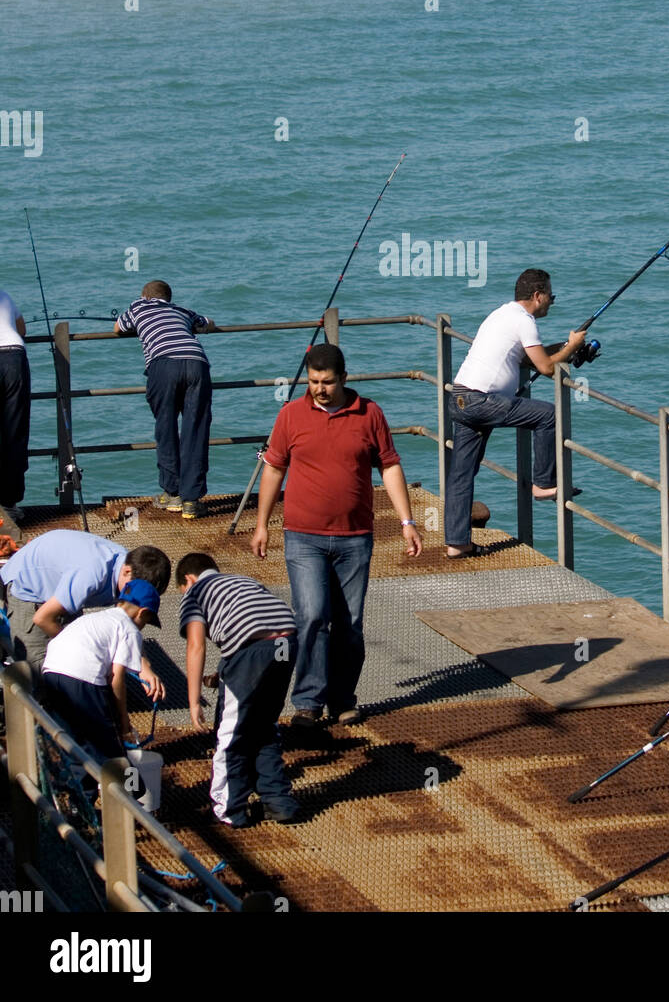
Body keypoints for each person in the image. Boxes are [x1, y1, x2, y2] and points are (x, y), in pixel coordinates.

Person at [251, 343, 422, 725]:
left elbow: (390, 467)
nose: (319, 389)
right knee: (311, 615)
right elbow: (274, 470)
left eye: (327, 382)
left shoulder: (370, 414)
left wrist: (407, 522)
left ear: (344, 379)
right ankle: (307, 702)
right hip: (302, 536)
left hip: (355, 536)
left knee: (349, 623)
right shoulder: (291, 415)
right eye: (313, 381)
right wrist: (262, 524)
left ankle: (342, 696)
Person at [443, 268, 585, 557]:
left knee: (462, 474)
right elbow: (545, 367)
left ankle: (457, 544)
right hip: (483, 401)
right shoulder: (525, 321)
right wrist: (572, 345)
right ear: (537, 295)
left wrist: (569, 349)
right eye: (551, 296)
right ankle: (544, 484)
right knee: (549, 415)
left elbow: (531, 358)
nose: (551, 302)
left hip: (460, 398)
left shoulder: (501, 315)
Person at [176, 553, 301, 828]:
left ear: (188, 579)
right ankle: (279, 803)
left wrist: (194, 699)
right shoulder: (243, 581)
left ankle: (229, 809)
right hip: (286, 643)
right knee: (264, 725)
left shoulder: (194, 592)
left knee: (232, 733)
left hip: (252, 648)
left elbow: (196, 645)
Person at [0, 528, 169, 697]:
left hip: (63, 585)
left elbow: (125, 624)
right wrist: (78, 647)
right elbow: (42, 618)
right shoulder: (92, 575)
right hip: (29, 589)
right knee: (42, 676)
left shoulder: (130, 571)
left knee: (85, 666)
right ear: (126, 571)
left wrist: (143, 664)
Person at [115, 280, 215, 519]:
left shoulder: (139, 306)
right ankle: (192, 500)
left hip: (164, 365)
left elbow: (117, 328)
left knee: (166, 426)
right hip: (196, 362)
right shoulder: (182, 311)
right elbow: (208, 323)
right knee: (196, 429)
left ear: (145, 296)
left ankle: (172, 494)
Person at [42, 580, 162, 765]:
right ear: (142, 612)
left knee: (75, 744)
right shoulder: (129, 629)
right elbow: (116, 678)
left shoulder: (96, 619)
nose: (143, 626)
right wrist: (123, 724)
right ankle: (134, 791)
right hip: (82, 679)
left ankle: (81, 792)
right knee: (112, 752)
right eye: (146, 621)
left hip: (51, 673)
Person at [0, 290, 30, 524]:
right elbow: (22, 329)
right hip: (14, 356)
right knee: (14, 432)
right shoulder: (5, 294)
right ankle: (9, 504)